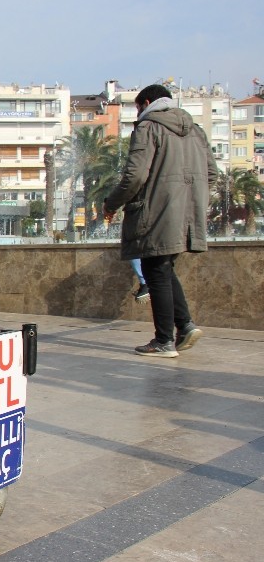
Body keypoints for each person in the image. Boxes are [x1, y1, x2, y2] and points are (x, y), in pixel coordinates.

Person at [103, 83, 218, 357]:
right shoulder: (195, 131)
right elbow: (211, 173)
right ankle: (186, 325)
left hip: (156, 213)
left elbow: (135, 176)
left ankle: (165, 340)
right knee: (163, 269)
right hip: (187, 214)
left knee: (155, 270)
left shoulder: (148, 127)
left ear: (145, 103)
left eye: (137, 107)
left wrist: (111, 204)